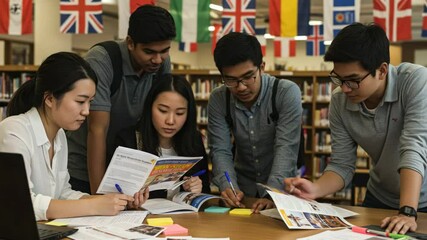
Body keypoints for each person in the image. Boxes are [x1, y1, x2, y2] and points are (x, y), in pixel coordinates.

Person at [284, 22, 427, 234]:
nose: (344, 88)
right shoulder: (340, 101)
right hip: (380, 196)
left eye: (353, 80)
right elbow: (342, 164)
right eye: (338, 79)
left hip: (420, 201)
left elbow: (413, 146)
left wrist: (407, 211)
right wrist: (316, 188)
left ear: (382, 70)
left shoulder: (415, 81)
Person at [0, 52, 148, 221]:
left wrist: (115, 202)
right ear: (49, 98)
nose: (86, 111)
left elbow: (62, 193)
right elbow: (20, 204)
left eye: (90, 101)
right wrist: (94, 205)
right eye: (80, 101)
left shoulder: (60, 135)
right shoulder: (14, 131)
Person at [66, 4, 176, 194]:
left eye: (164, 51)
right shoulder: (102, 60)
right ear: (130, 43)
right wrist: (98, 196)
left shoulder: (162, 64)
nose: (158, 60)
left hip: (125, 171)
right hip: (85, 170)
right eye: (149, 52)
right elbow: (97, 129)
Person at [208, 32, 302, 212]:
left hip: (282, 191)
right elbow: (220, 149)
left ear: (262, 67)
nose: (241, 87)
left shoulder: (286, 93)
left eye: (248, 76)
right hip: (243, 191)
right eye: (231, 80)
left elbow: (286, 147)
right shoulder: (219, 99)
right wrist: (228, 185)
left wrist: (273, 192)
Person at [123, 74, 210, 198]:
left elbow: (206, 192)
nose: (170, 121)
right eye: (163, 111)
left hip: (182, 216)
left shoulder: (194, 141)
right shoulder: (128, 140)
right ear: (150, 107)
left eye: (180, 113)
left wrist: (197, 190)